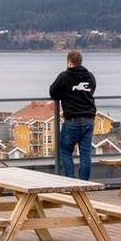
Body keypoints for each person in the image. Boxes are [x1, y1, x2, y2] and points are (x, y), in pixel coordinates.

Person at [49, 50, 97, 181]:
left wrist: (65, 95)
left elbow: (53, 92)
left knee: (65, 151)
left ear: (69, 62)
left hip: (72, 120)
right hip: (89, 119)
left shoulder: (64, 76)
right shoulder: (90, 76)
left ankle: (70, 181)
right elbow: (92, 89)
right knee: (85, 154)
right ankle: (84, 182)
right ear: (80, 62)